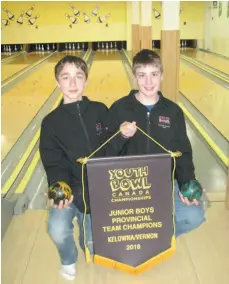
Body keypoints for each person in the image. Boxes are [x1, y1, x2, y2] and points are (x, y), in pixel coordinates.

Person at [108, 49, 205, 237]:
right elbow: (106, 154)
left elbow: (183, 152)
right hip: (130, 185)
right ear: (134, 77)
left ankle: (159, 236)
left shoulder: (173, 111)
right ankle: (146, 234)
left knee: (194, 216)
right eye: (142, 75)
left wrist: (186, 182)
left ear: (162, 76)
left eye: (154, 74)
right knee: (120, 228)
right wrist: (122, 136)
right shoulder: (119, 108)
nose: (148, 82)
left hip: (164, 181)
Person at [39, 55, 108, 281]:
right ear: (58, 83)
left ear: (86, 80)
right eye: (65, 77)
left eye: (78, 76)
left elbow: (113, 148)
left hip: (97, 192)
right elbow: (52, 161)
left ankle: (87, 241)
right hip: (70, 190)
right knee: (57, 229)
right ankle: (68, 260)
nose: (72, 83)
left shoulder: (100, 111)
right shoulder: (51, 122)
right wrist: (60, 188)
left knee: (93, 244)